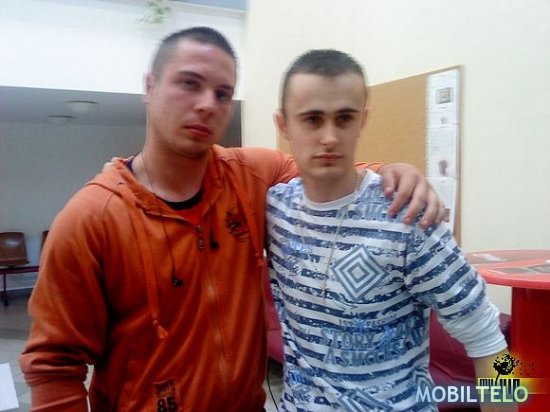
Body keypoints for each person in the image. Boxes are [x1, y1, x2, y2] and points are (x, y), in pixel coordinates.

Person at [20, 27, 445, 411]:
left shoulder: (251, 176)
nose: (207, 104)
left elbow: (327, 173)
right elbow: (53, 365)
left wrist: (392, 171)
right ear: (149, 87)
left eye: (223, 94)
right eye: (189, 83)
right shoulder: (91, 219)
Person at [266, 49, 509, 411]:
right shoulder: (275, 209)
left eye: (344, 118)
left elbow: (488, 338)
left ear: (362, 120)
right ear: (283, 125)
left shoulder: (408, 215)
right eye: (312, 120)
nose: (329, 137)